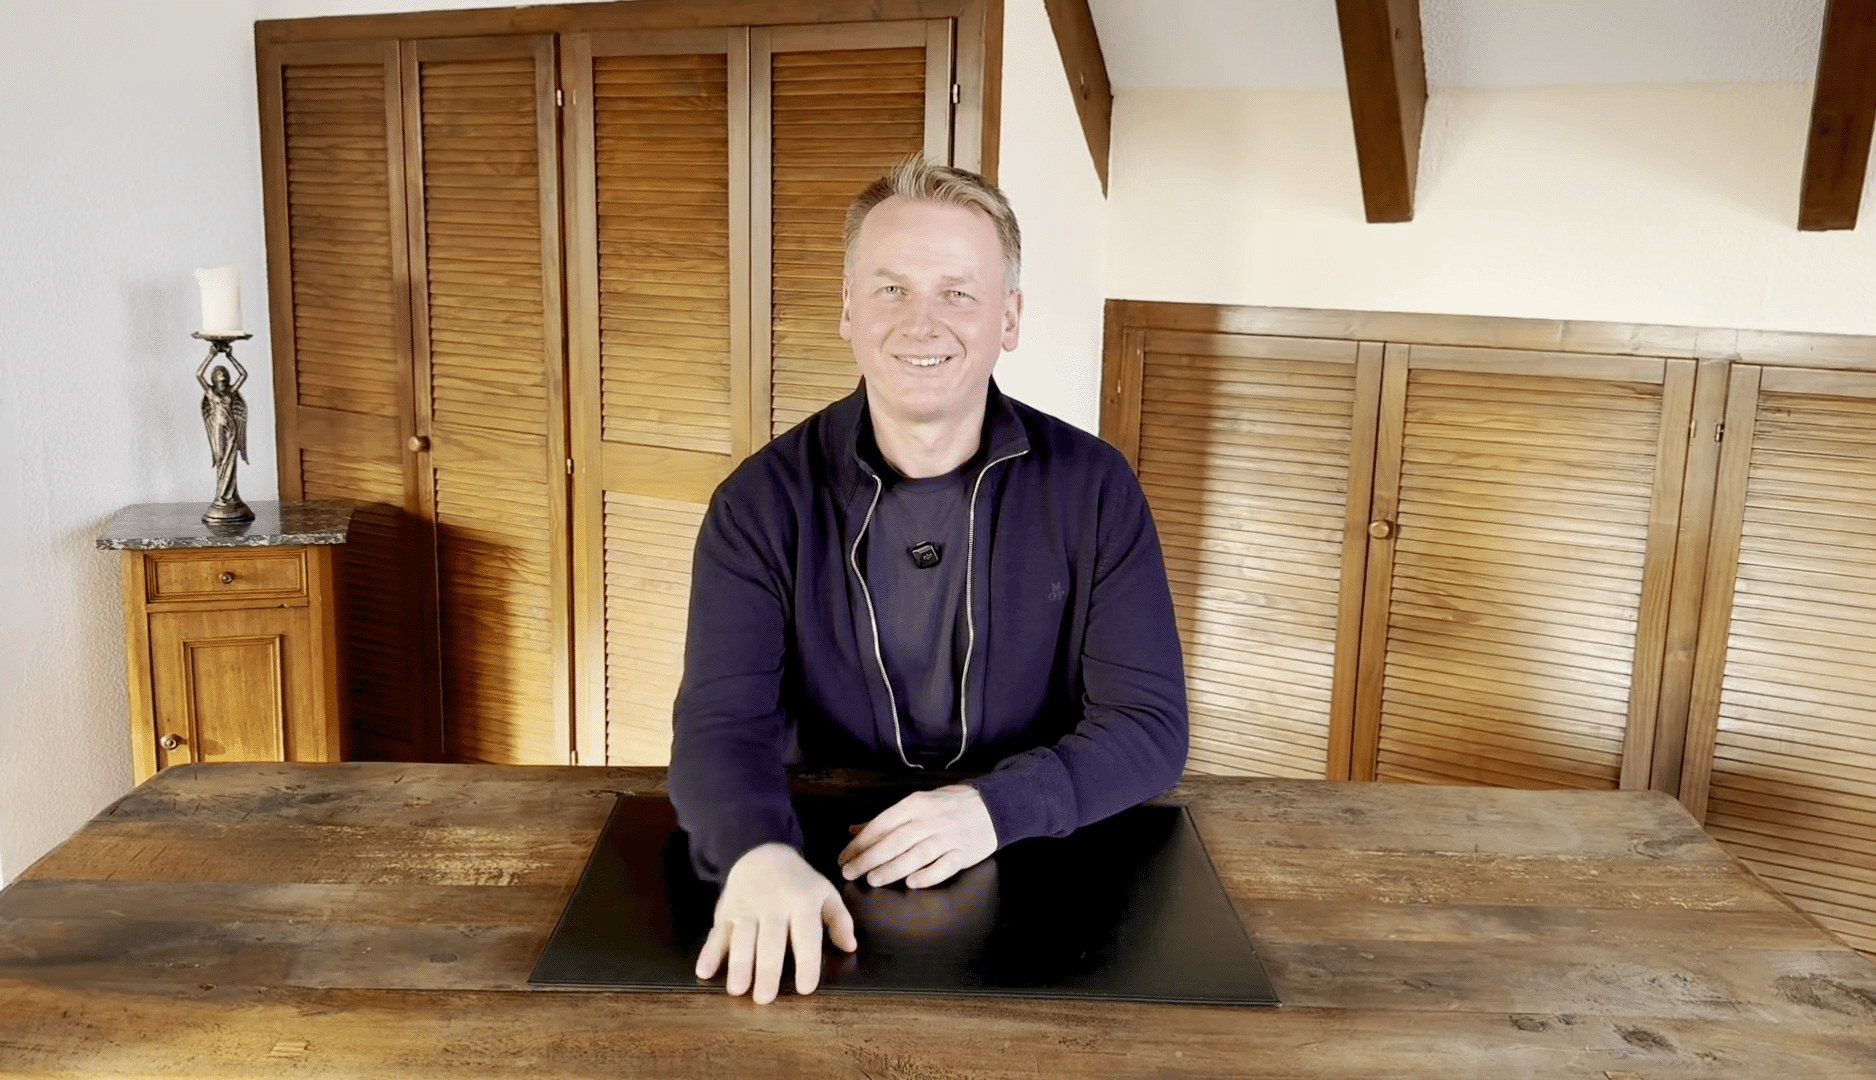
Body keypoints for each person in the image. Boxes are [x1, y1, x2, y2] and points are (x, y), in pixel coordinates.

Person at [667, 157, 1187, 1004]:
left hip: (1040, 855)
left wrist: (995, 808)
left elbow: (1150, 726)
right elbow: (720, 723)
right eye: (892, 289)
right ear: (848, 308)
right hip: (820, 867)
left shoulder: (1097, 488)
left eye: (957, 293)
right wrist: (757, 853)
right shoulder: (757, 502)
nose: (922, 322)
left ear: (1008, 317)